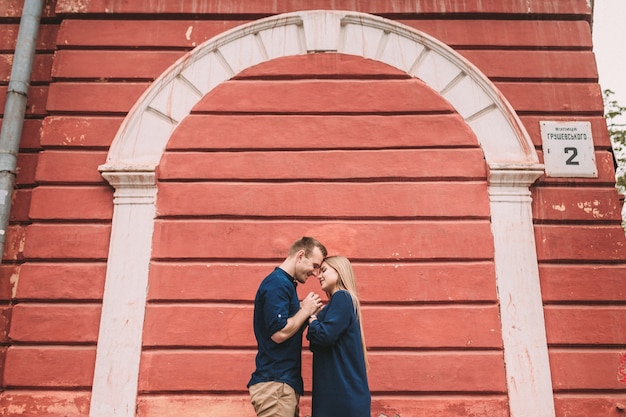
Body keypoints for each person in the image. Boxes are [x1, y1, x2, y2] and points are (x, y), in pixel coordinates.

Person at [248, 236, 328, 417]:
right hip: (275, 386)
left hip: (281, 385)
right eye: (314, 266)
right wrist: (305, 310)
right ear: (300, 255)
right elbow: (279, 333)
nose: (315, 273)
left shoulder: (286, 285)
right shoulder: (278, 283)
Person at [306, 255, 371, 417]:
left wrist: (312, 319)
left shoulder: (342, 297)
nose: (319, 276)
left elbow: (324, 336)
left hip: (341, 398)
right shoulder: (339, 303)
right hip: (340, 396)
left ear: (340, 271)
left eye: (324, 270)